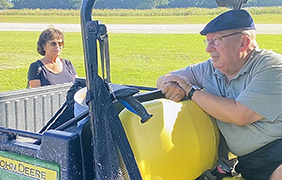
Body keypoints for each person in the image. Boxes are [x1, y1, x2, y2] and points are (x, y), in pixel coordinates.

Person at [157, 9, 282, 180]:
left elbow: (240, 114)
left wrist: (191, 91)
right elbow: (164, 78)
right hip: (249, 162)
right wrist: (173, 85)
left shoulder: (272, 67)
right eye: (207, 41)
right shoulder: (210, 68)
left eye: (215, 40)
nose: (209, 49)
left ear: (243, 43)